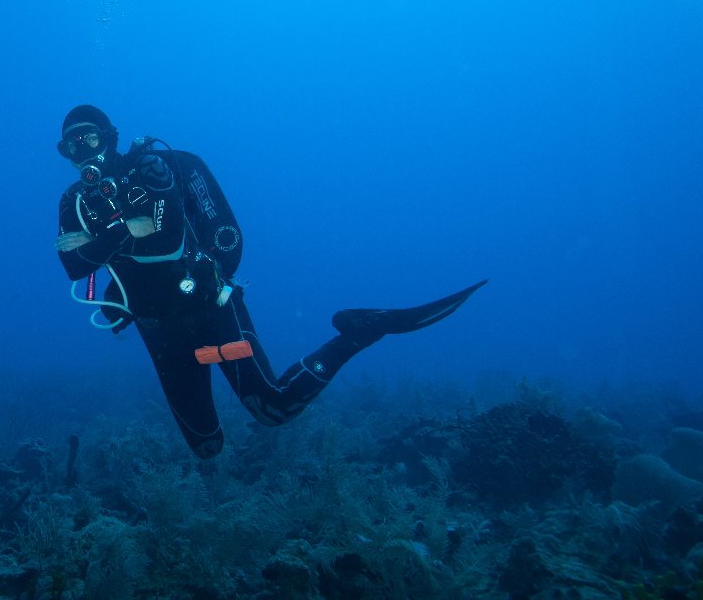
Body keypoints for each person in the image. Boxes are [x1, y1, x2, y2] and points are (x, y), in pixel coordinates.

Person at [54, 104, 486, 459]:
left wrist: (102, 241)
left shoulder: (166, 167)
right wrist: (129, 229)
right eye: (69, 145)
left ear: (110, 137)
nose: (80, 151)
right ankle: (209, 364)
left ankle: (360, 331)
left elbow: (207, 238)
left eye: (88, 138)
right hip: (158, 330)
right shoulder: (73, 201)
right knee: (206, 447)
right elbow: (74, 268)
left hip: (210, 308)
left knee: (273, 408)